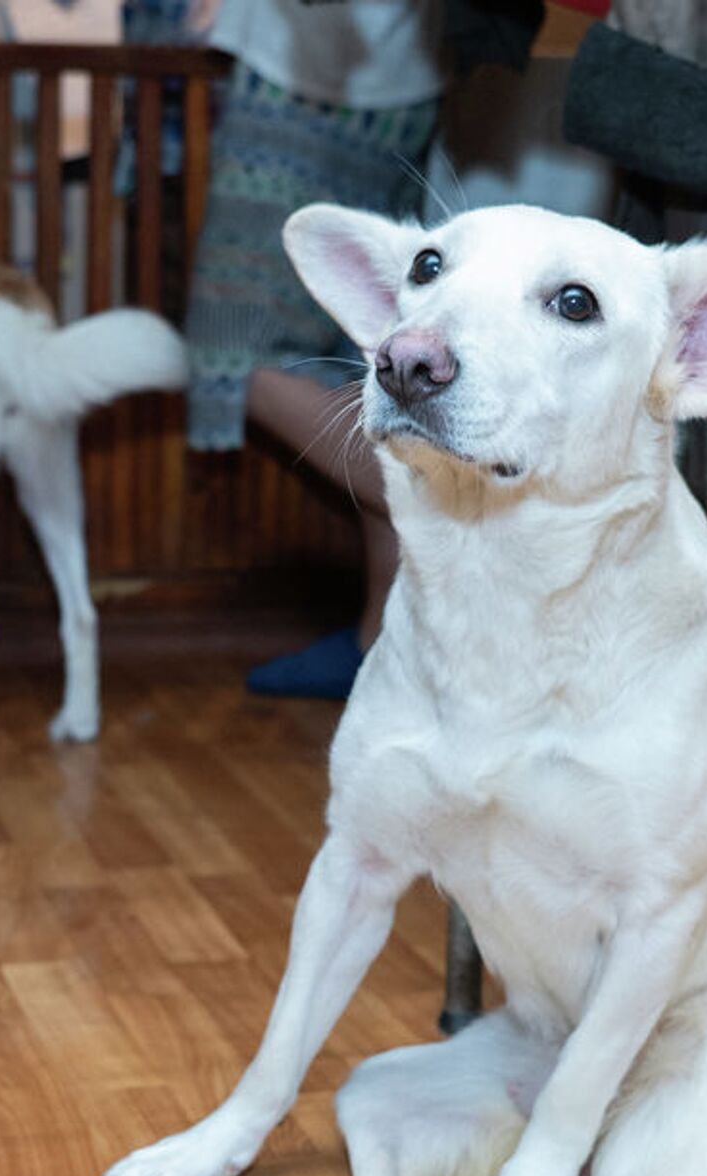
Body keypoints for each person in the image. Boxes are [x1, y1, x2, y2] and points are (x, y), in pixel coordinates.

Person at [181, 0, 448, 697]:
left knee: (234, 357)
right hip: (384, 69)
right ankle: (383, 644)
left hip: (316, 76)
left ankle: (431, 505)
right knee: (359, 356)